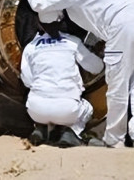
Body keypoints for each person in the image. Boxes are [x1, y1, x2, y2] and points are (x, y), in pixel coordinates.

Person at [15, 0, 134, 149]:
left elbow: (39, 3)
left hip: (124, 27)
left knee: (117, 86)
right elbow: (97, 22)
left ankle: (114, 139)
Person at [20, 10, 104, 148]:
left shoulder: (31, 47)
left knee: (37, 97)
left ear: (39, 25)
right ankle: (72, 132)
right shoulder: (73, 42)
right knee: (87, 108)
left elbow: (27, 80)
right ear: (61, 22)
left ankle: (40, 128)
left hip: (36, 110)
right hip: (67, 110)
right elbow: (96, 67)